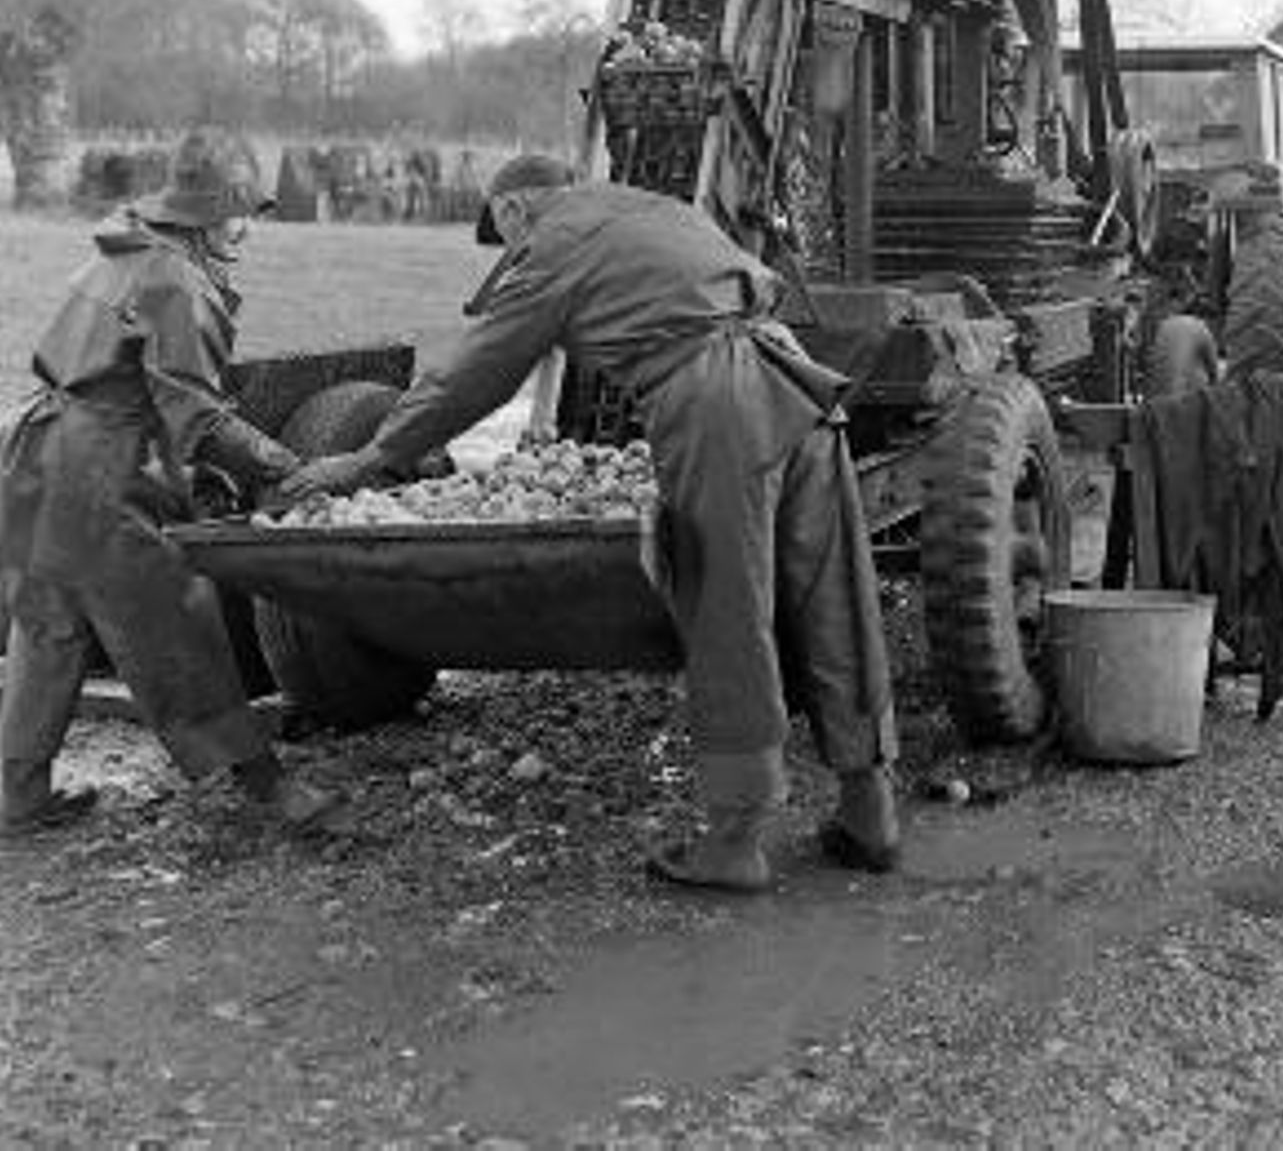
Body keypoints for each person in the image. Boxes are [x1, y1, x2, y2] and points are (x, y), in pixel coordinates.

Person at [278, 154, 900, 892]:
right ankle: (871, 811)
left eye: (503, 236)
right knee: (831, 592)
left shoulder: (555, 242)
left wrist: (372, 456)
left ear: (513, 211)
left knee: (725, 603)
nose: (508, 250)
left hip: (716, 396)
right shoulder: (646, 207)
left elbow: (480, 370)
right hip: (793, 374)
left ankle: (736, 839)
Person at [0, 129, 340, 837]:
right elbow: (198, 416)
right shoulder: (176, 281)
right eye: (240, 214)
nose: (248, 229)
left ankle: (18, 796)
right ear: (206, 216)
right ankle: (269, 789)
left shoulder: (126, 247)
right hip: (92, 473)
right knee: (173, 622)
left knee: (51, 627)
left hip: (35, 449)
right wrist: (289, 468)